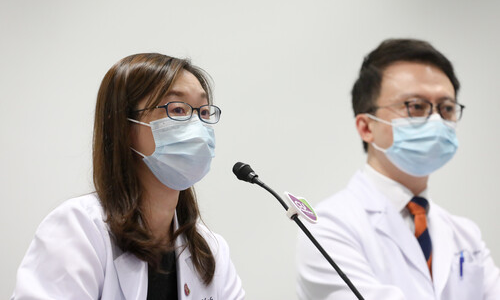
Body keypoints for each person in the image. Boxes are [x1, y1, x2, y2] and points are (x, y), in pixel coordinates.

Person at [12, 53, 245, 299]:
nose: (197, 126)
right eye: (178, 109)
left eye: (205, 112)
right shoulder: (80, 229)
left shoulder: (210, 250)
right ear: (126, 128)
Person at [296, 39, 500, 299]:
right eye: (416, 106)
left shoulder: (466, 235)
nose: (436, 120)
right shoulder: (327, 227)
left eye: (447, 108)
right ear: (366, 127)